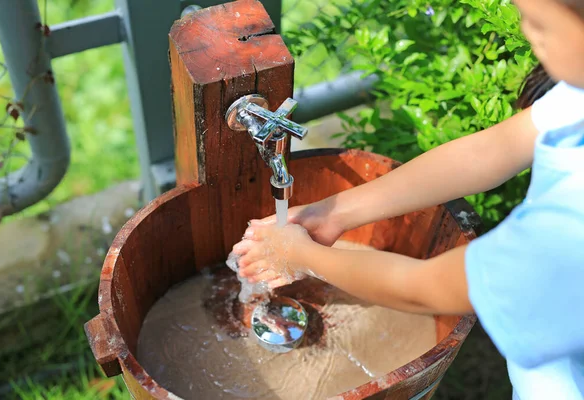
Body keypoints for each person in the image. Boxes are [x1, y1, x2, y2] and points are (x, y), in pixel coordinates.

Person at [231, 0, 584, 398]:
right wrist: (332, 212)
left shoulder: (572, 224)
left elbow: (424, 288)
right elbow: (487, 153)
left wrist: (305, 257)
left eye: (539, 22)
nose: (525, 30)